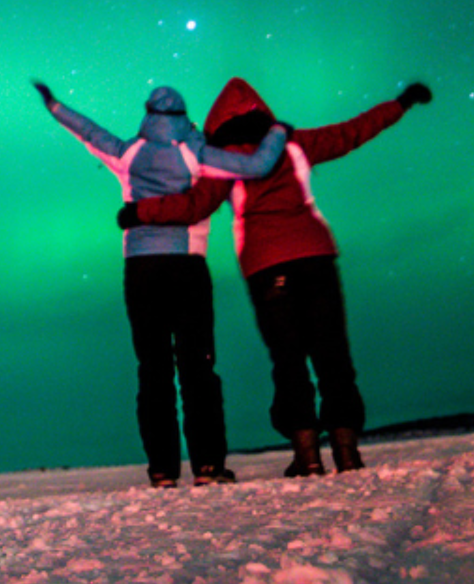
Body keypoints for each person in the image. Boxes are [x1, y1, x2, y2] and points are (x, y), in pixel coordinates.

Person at [120, 78, 432, 477]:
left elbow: (194, 205)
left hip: (266, 263)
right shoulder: (294, 143)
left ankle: (307, 455)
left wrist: (142, 213)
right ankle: (346, 449)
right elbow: (353, 132)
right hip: (316, 255)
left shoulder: (222, 160)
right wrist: (401, 102)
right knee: (332, 352)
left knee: (289, 358)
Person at [34, 79, 289, 488]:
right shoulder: (197, 152)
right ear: (182, 116)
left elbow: (89, 131)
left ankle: (162, 470)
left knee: (152, 368)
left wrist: (54, 105)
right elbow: (258, 166)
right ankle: (207, 465)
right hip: (186, 266)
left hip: (140, 270)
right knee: (198, 367)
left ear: (148, 115)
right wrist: (278, 133)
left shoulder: (129, 153)